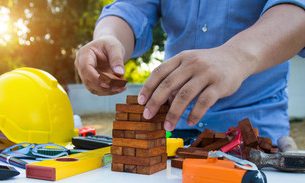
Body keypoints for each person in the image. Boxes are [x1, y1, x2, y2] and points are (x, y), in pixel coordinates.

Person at [74, 0, 305, 143]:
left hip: (255, 137)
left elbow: (297, 9)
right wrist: (109, 37)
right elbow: (131, 8)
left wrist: (237, 56)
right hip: (174, 130)